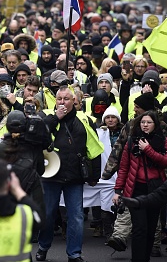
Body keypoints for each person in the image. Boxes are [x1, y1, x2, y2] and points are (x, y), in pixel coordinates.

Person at [36, 86, 103, 262]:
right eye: (59, 99)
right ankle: (43, 246)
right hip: (51, 176)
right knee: (48, 214)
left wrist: (94, 175)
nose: (62, 102)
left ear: (74, 101)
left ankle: (74, 254)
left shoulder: (84, 119)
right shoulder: (46, 117)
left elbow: (94, 149)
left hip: (74, 176)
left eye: (66, 99)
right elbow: (37, 137)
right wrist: (55, 118)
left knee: (76, 216)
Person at [112, 111, 167, 262]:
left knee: (151, 229)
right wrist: (118, 191)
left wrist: (148, 149)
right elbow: (124, 168)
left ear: (155, 125)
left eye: (148, 122)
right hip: (135, 189)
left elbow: (165, 162)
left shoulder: (162, 140)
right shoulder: (132, 141)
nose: (145, 125)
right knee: (139, 229)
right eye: (142, 122)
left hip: (154, 189)